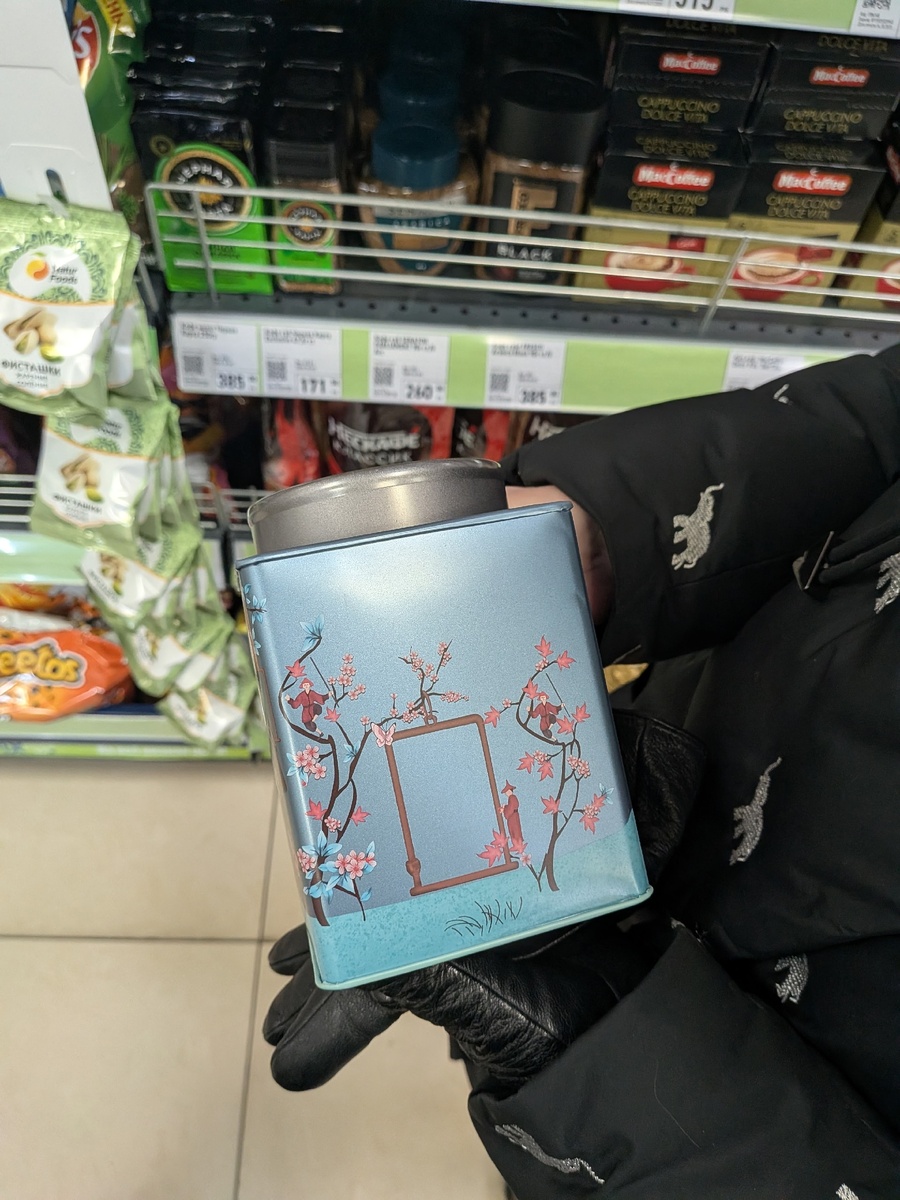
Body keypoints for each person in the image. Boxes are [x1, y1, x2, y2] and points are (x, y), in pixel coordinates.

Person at [262, 346, 900, 1197]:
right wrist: (609, 534)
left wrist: (610, 1079)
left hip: (691, 1096)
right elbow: (881, 412)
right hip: (658, 766)